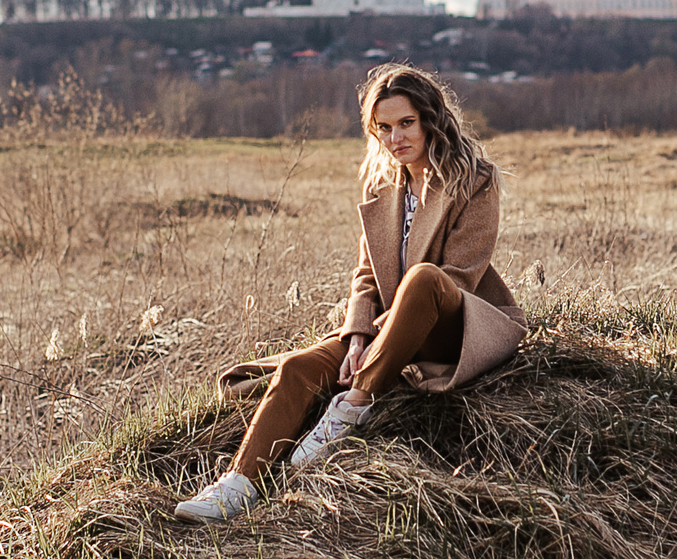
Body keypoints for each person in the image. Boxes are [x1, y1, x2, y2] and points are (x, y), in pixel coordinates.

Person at [175, 64, 525, 522]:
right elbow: (365, 272)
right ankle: (236, 488)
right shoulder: (382, 184)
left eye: (406, 123)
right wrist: (358, 337)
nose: (395, 137)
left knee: (422, 278)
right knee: (299, 367)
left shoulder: (473, 180)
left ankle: (354, 405)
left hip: (450, 327)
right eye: (384, 127)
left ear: (430, 120)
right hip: (382, 330)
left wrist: (380, 340)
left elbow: (458, 277)